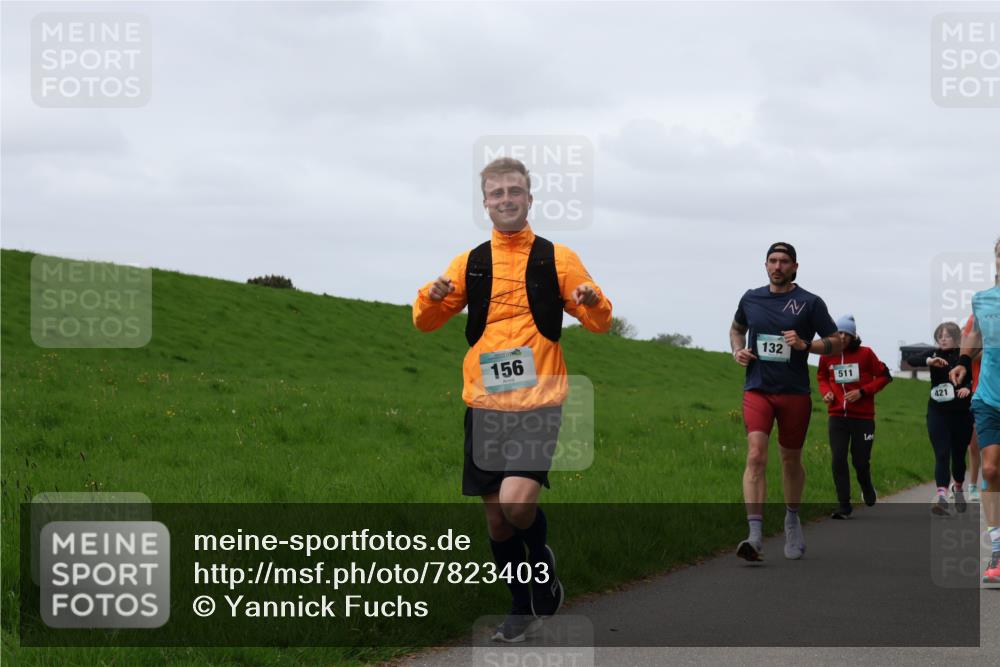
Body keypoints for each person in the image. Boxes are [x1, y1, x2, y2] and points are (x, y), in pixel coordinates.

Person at [413, 157, 612, 641]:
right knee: (497, 522)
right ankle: (520, 606)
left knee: (518, 506)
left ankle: (541, 566)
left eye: (514, 192)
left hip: (538, 401)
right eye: (496, 193)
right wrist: (432, 295)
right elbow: (425, 321)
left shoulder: (556, 258)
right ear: (485, 202)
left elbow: (599, 321)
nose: (506, 200)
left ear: (529, 197)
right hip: (484, 403)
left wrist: (589, 300)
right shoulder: (469, 262)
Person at [730, 242, 841, 561]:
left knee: (790, 460)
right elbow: (737, 329)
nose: (777, 266)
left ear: (794, 267)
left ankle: (792, 519)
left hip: (794, 394)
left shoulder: (809, 302)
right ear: (765, 265)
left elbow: (834, 342)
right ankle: (754, 536)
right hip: (758, 389)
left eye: (784, 262)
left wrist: (805, 344)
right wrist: (738, 350)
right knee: (755, 456)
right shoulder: (750, 297)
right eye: (772, 261)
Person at [951, 236, 1000, 584]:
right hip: (989, 398)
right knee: (991, 468)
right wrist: (964, 361)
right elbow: (976, 335)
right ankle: (997, 550)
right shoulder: (983, 299)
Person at [817, 314, 893, 519]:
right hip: (837, 416)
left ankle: (867, 487)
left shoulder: (866, 354)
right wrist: (826, 392)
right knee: (838, 459)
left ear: (853, 336)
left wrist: (863, 392)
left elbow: (886, 376)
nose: (841, 337)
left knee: (860, 462)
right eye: (838, 332)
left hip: (863, 418)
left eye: (846, 333)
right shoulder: (827, 355)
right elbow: (822, 377)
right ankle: (844, 506)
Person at [907, 322, 974, 515]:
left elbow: (974, 378)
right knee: (942, 454)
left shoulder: (964, 357)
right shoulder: (934, 354)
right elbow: (912, 359)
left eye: (947, 335)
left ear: (956, 339)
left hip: (962, 414)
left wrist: (967, 388)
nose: (943, 339)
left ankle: (958, 488)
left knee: (959, 457)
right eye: (940, 336)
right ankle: (941, 496)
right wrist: (929, 361)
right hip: (938, 412)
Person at [961, 312, 983, 502]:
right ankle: (973, 484)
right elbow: (969, 354)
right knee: (974, 442)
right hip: (980, 391)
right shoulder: (977, 315)